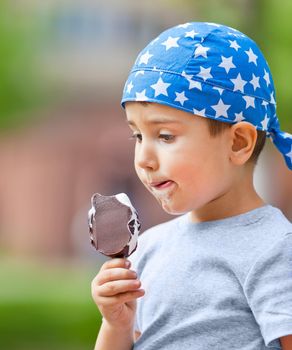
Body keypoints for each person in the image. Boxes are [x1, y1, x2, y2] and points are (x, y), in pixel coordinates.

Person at [91, 22, 292, 350]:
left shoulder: (274, 249)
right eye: (137, 136)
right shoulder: (148, 249)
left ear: (239, 143)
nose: (144, 158)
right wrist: (116, 323)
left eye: (165, 136)